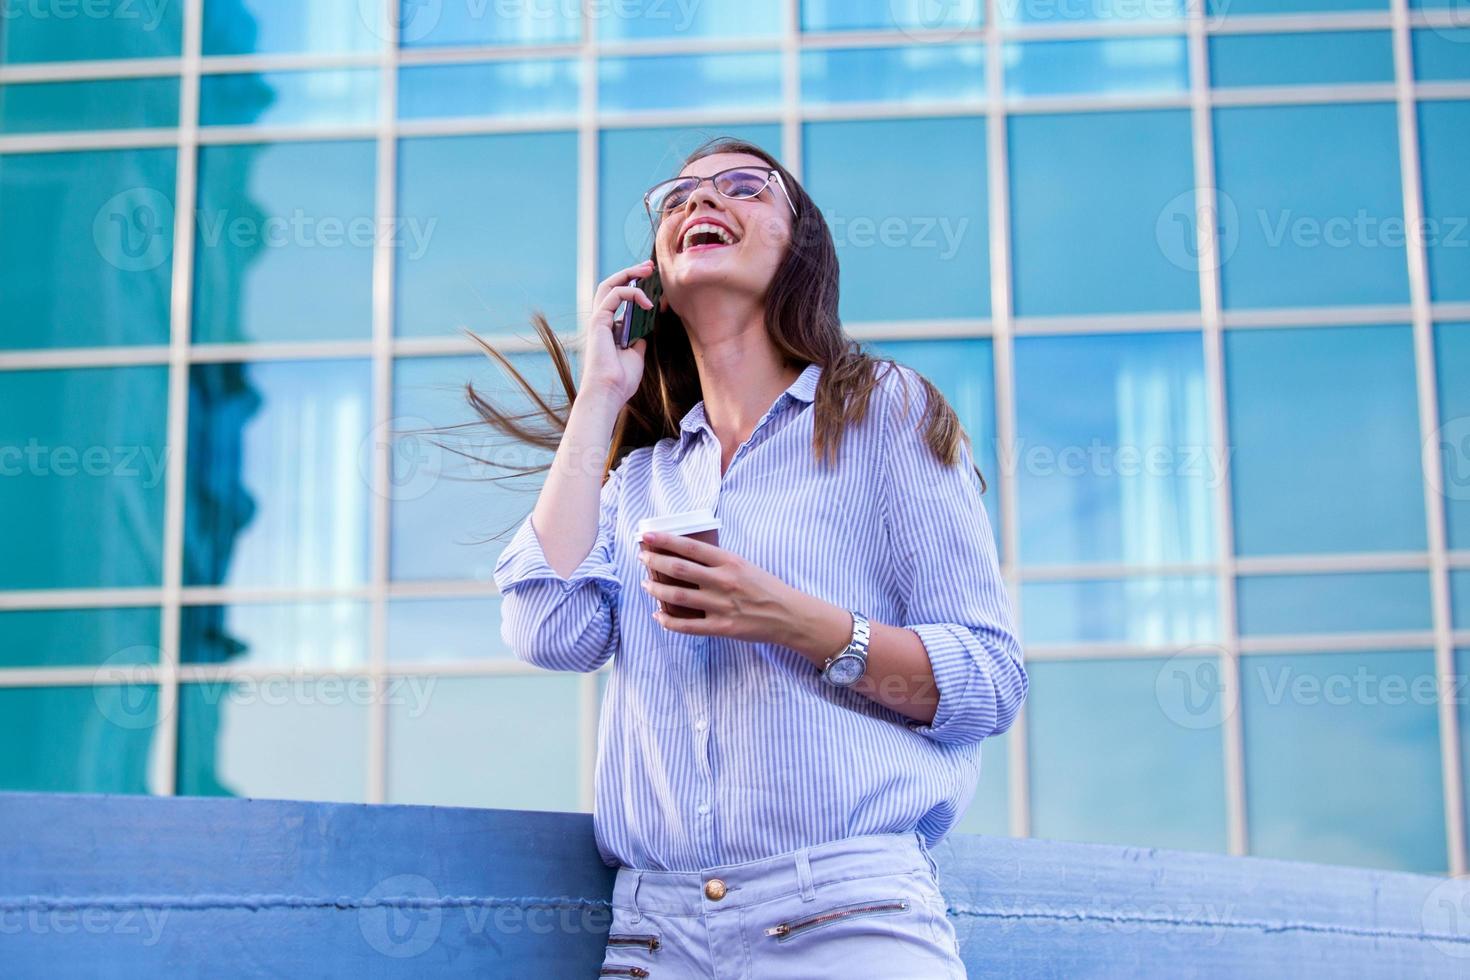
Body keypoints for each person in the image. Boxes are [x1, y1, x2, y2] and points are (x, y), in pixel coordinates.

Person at [474, 136, 1027, 978]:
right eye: (680, 198)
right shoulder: (640, 479)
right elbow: (547, 628)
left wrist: (793, 621)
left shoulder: (884, 412)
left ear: (797, 246)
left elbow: (989, 683)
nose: (701, 201)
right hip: (655, 935)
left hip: (847, 916)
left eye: (744, 188)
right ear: (653, 278)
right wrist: (601, 394)